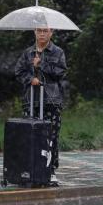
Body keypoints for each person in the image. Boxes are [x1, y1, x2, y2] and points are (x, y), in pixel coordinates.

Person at [15, 26, 67, 184]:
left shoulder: (58, 52)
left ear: (51, 33)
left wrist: (41, 65)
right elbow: (19, 71)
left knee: (51, 137)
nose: (42, 34)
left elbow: (60, 72)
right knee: (30, 136)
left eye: (46, 31)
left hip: (51, 100)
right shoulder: (28, 52)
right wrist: (30, 79)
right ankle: (30, 169)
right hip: (32, 101)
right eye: (39, 30)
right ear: (34, 32)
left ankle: (50, 170)